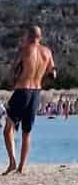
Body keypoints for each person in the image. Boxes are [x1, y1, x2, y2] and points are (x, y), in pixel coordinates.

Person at [5, 24, 55, 175]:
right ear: (40, 37)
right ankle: (22, 167)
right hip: (36, 93)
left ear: (28, 36)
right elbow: (53, 73)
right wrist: (41, 79)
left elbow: (13, 69)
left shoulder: (25, 49)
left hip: (22, 90)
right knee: (27, 131)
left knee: (8, 128)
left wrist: (14, 79)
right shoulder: (47, 52)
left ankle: (12, 162)